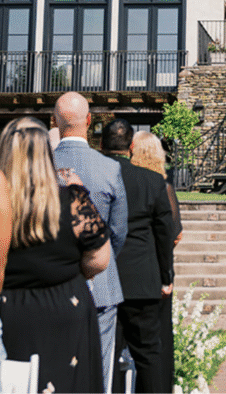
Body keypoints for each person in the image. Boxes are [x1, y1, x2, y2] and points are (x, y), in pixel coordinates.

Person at [0, 117, 110, 393]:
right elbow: (100, 257)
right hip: (65, 304)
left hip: (12, 307)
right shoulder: (73, 199)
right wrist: (74, 269)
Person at [53, 91, 128, 394]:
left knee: (55, 369)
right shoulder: (110, 168)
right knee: (100, 369)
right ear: (89, 120)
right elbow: (118, 230)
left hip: (53, 281)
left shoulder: (40, 168)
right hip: (101, 281)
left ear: (54, 122)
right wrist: (101, 258)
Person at [101, 120, 175, 394]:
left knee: (104, 356)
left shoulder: (94, 176)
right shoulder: (153, 180)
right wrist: (166, 276)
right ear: (131, 147)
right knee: (148, 355)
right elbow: (164, 233)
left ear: (100, 144)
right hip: (142, 281)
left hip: (103, 276)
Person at [130, 131, 183, 394]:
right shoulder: (163, 185)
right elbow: (175, 232)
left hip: (136, 271)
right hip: (157, 269)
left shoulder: (127, 181)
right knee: (158, 341)